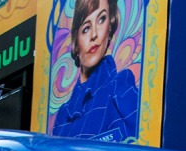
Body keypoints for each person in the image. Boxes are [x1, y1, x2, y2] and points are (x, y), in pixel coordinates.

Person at [52, 0, 140, 142]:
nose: (94, 34)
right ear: (75, 43)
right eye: (86, 28)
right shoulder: (63, 114)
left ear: (109, 28)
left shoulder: (121, 87)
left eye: (101, 19)